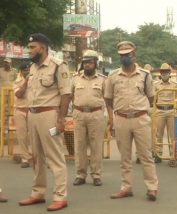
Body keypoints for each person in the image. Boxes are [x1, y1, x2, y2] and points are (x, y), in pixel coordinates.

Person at [18, 33, 71, 211]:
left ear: (43, 47)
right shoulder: (33, 68)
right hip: (32, 116)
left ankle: (60, 196)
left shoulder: (58, 66)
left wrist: (61, 119)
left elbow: (66, 94)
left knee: (55, 156)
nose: (29, 50)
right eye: (29, 47)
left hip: (50, 116)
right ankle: (38, 193)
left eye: (33, 47)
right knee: (36, 157)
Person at [105, 41, 159, 201]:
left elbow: (151, 97)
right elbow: (108, 98)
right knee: (125, 157)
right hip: (121, 118)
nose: (125, 58)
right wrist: (117, 114)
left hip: (141, 118)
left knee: (146, 155)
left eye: (128, 55)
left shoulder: (145, 75)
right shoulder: (113, 76)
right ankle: (126, 187)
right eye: (122, 55)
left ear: (134, 55)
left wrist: (138, 109)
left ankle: (152, 188)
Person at [72, 50, 107, 186]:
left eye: (90, 62)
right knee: (79, 145)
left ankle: (96, 174)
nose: (87, 65)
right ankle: (80, 174)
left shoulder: (103, 79)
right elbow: (69, 96)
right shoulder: (75, 78)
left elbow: (108, 98)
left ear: (95, 63)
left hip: (96, 114)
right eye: (85, 62)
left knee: (96, 145)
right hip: (79, 114)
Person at [152, 63, 177, 164]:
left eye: (166, 72)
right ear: (160, 73)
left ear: (169, 73)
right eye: (162, 72)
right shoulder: (155, 85)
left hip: (171, 110)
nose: (164, 74)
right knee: (158, 134)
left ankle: (173, 156)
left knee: (173, 135)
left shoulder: (175, 85)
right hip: (159, 110)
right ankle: (158, 154)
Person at [13, 62, 33, 168]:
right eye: (25, 70)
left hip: (32, 111)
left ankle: (37, 158)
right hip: (20, 111)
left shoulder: (35, 81)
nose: (27, 71)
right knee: (22, 136)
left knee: (35, 135)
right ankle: (25, 158)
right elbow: (19, 94)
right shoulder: (17, 82)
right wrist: (25, 81)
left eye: (28, 69)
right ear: (21, 71)